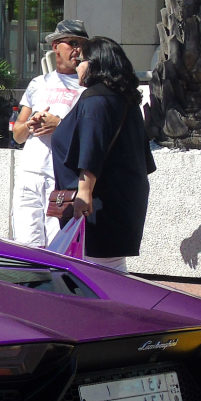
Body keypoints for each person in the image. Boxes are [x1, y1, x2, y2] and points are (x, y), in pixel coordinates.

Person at [49, 36, 156, 273]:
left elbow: (92, 147)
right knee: (111, 267)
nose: (77, 66)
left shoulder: (96, 99)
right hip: (123, 200)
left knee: (98, 272)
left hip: (97, 204)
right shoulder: (124, 99)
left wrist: (84, 193)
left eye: (81, 61)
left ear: (96, 63)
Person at [10, 19, 89, 247]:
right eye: (72, 43)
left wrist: (60, 124)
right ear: (55, 46)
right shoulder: (38, 83)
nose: (77, 50)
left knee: (58, 246)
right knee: (26, 244)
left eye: (82, 44)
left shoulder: (87, 87)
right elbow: (18, 134)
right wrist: (31, 123)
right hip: (30, 173)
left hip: (62, 177)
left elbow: (92, 133)